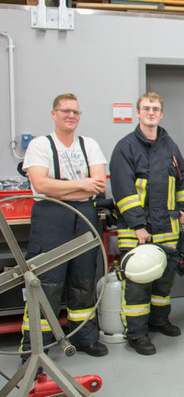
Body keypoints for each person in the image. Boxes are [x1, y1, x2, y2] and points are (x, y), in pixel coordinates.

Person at [20, 93, 108, 359]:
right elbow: (41, 185)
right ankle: (36, 347)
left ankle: (84, 337)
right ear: (54, 114)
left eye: (76, 112)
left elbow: (99, 184)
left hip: (84, 216)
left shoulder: (89, 144)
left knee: (84, 279)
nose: (71, 116)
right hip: (50, 218)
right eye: (65, 111)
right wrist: (82, 185)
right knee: (47, 282)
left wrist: (60, 188)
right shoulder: (40, 145)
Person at [110, 92, 184, 355]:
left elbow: (183, 180)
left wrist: (183, 209)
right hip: (138, 230)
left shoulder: (170, 146)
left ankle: (159, 320)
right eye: (146, 108)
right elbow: (123, 189)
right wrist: (137, 225)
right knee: (137, 284)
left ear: (161, 113)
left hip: (167, 228)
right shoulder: (125, 147)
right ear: (138, 113)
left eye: (155, 108)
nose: (151, 112)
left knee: (164, 281)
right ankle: (137, 334)